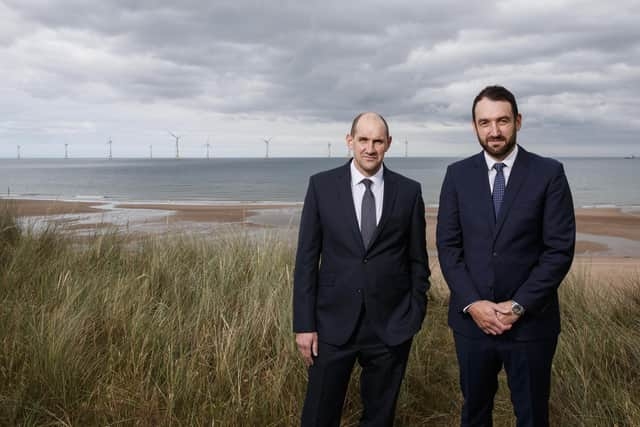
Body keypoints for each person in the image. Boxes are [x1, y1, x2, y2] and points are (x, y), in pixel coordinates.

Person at [436, 85, 576, 426]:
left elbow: (558, 250)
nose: (494, 131)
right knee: (474, 412)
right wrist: (474, 303)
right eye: (485, 122)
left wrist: (517, 307)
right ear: (474, 126)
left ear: (518, 121)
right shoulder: (457, 175)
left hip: (530, 324)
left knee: (531, 415)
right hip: (472, 324)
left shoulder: (548, 173)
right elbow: (448, 247)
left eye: (502, 121)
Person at [293, 112, 430, 426]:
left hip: (391, 327)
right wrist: (304, 324)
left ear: (389, 144)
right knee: (317, 417)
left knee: (379, 418)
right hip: (331, 325)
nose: (370, 148)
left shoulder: (409, 192)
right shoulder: (321, 186)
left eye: (378, 141)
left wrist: (414, 314)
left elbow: (417, 262)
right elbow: (306, 260)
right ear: (349, 141)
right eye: (364, 140)